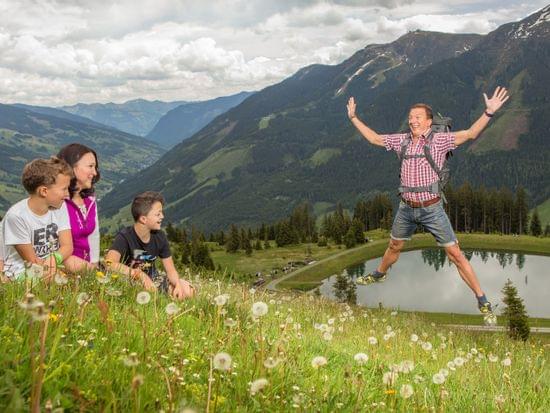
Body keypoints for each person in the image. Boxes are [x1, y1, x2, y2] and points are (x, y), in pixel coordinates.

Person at [346, 86, 509, 316]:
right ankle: (379, 274)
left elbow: (470, 133)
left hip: (432, 209)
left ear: (429, 122)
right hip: (406, 208)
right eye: (411, 117)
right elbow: (374, 138)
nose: (412, 120)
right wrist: (353, 117)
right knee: (394, 246)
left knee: (455, 255)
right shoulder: (401, 141)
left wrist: (489, 112)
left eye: (418, 117)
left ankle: (482, 299)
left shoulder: (440, 141)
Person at [0, 157, 88, 280]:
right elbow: (32, 262)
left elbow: (68, 246)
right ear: (44, 191)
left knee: (80, 265)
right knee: (49, 277)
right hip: (22, 270)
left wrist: (54, 259)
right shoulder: (16, 217)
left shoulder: (60, 207)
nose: (68, 194)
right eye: (64, 189)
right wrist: (56, 269)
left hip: (49, 261)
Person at [105, 191, 195, 300]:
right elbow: (109, 263)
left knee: (188, 291)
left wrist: (178, 285)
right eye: (158, 214)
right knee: (136, 292)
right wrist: (139, 275)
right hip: (128, 281)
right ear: (143, 219)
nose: (162, 216)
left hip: (154, 281)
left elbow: (170, 270)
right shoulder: (124, 237)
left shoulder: (160, 237)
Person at [57, 143, 100, 268]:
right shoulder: (58, 203)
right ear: (72, 167)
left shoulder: (90, 201)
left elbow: (94, 237)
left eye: (95, 167)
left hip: (86, 270)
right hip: (64, 268)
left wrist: (94, 267)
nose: (95, 173)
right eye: (91, 166)